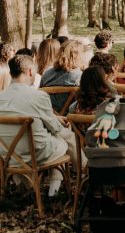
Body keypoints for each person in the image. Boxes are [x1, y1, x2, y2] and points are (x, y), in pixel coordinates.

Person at [0, 55, 80, 196]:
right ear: (30, 71)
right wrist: (57, 122)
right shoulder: (38, 96)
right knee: (64, 136)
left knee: (54, 137)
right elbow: (55, 128)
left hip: (8, 155)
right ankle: (80, 175)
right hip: (36, 153)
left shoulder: (1, 97)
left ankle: (29, 187)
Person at [40, 40, 86, 112]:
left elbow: (40, 96)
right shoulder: (80, 77)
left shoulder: (47, 74)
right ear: (79, 56)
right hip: (70, 118)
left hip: (49, 114)